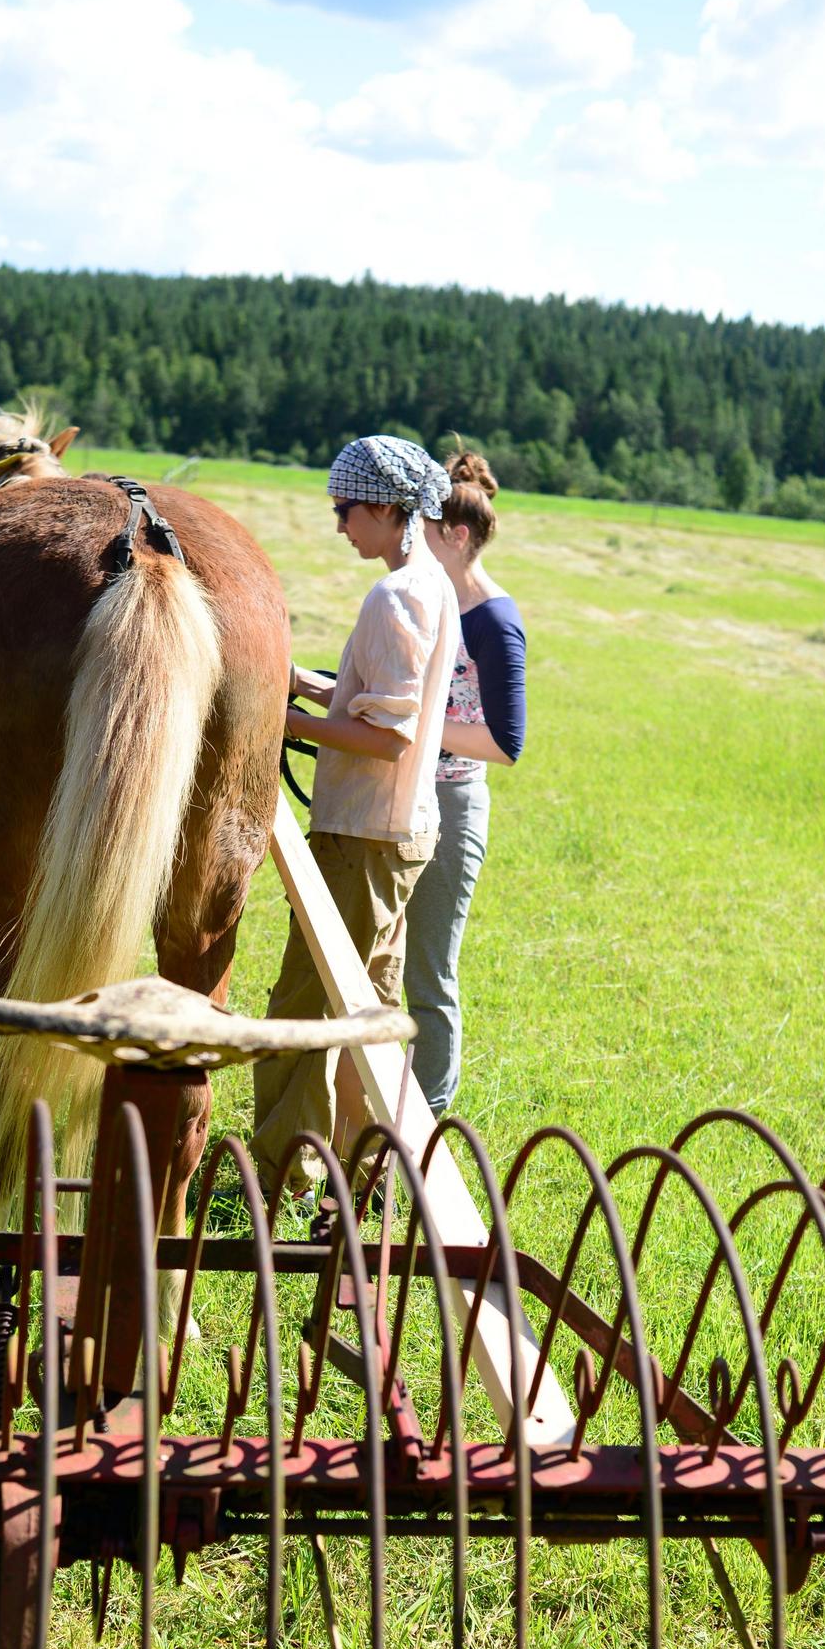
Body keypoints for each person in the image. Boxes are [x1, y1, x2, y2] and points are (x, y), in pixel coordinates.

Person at [252, 434, 458, 1196]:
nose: (340, 525)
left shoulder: (396, 595)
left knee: (305, 1007)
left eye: (345, 510)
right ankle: (364, 1161)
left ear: (382, 506)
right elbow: (377, 701)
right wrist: (305, 684)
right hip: (398, 830)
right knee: (370, 1005)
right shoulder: (430, 583)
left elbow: (387, 732)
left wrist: (285, 722)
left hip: (365, 833)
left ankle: (279, 1173)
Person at [403, 449, 526, 1117]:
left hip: (452, 805)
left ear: (455, 535)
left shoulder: (495, 621)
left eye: (424, 530)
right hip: (408, 789)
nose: (414, 541)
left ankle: (427, 1121)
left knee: (429, 976)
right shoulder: (435, 601)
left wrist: (413, 725)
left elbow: (505, 744)